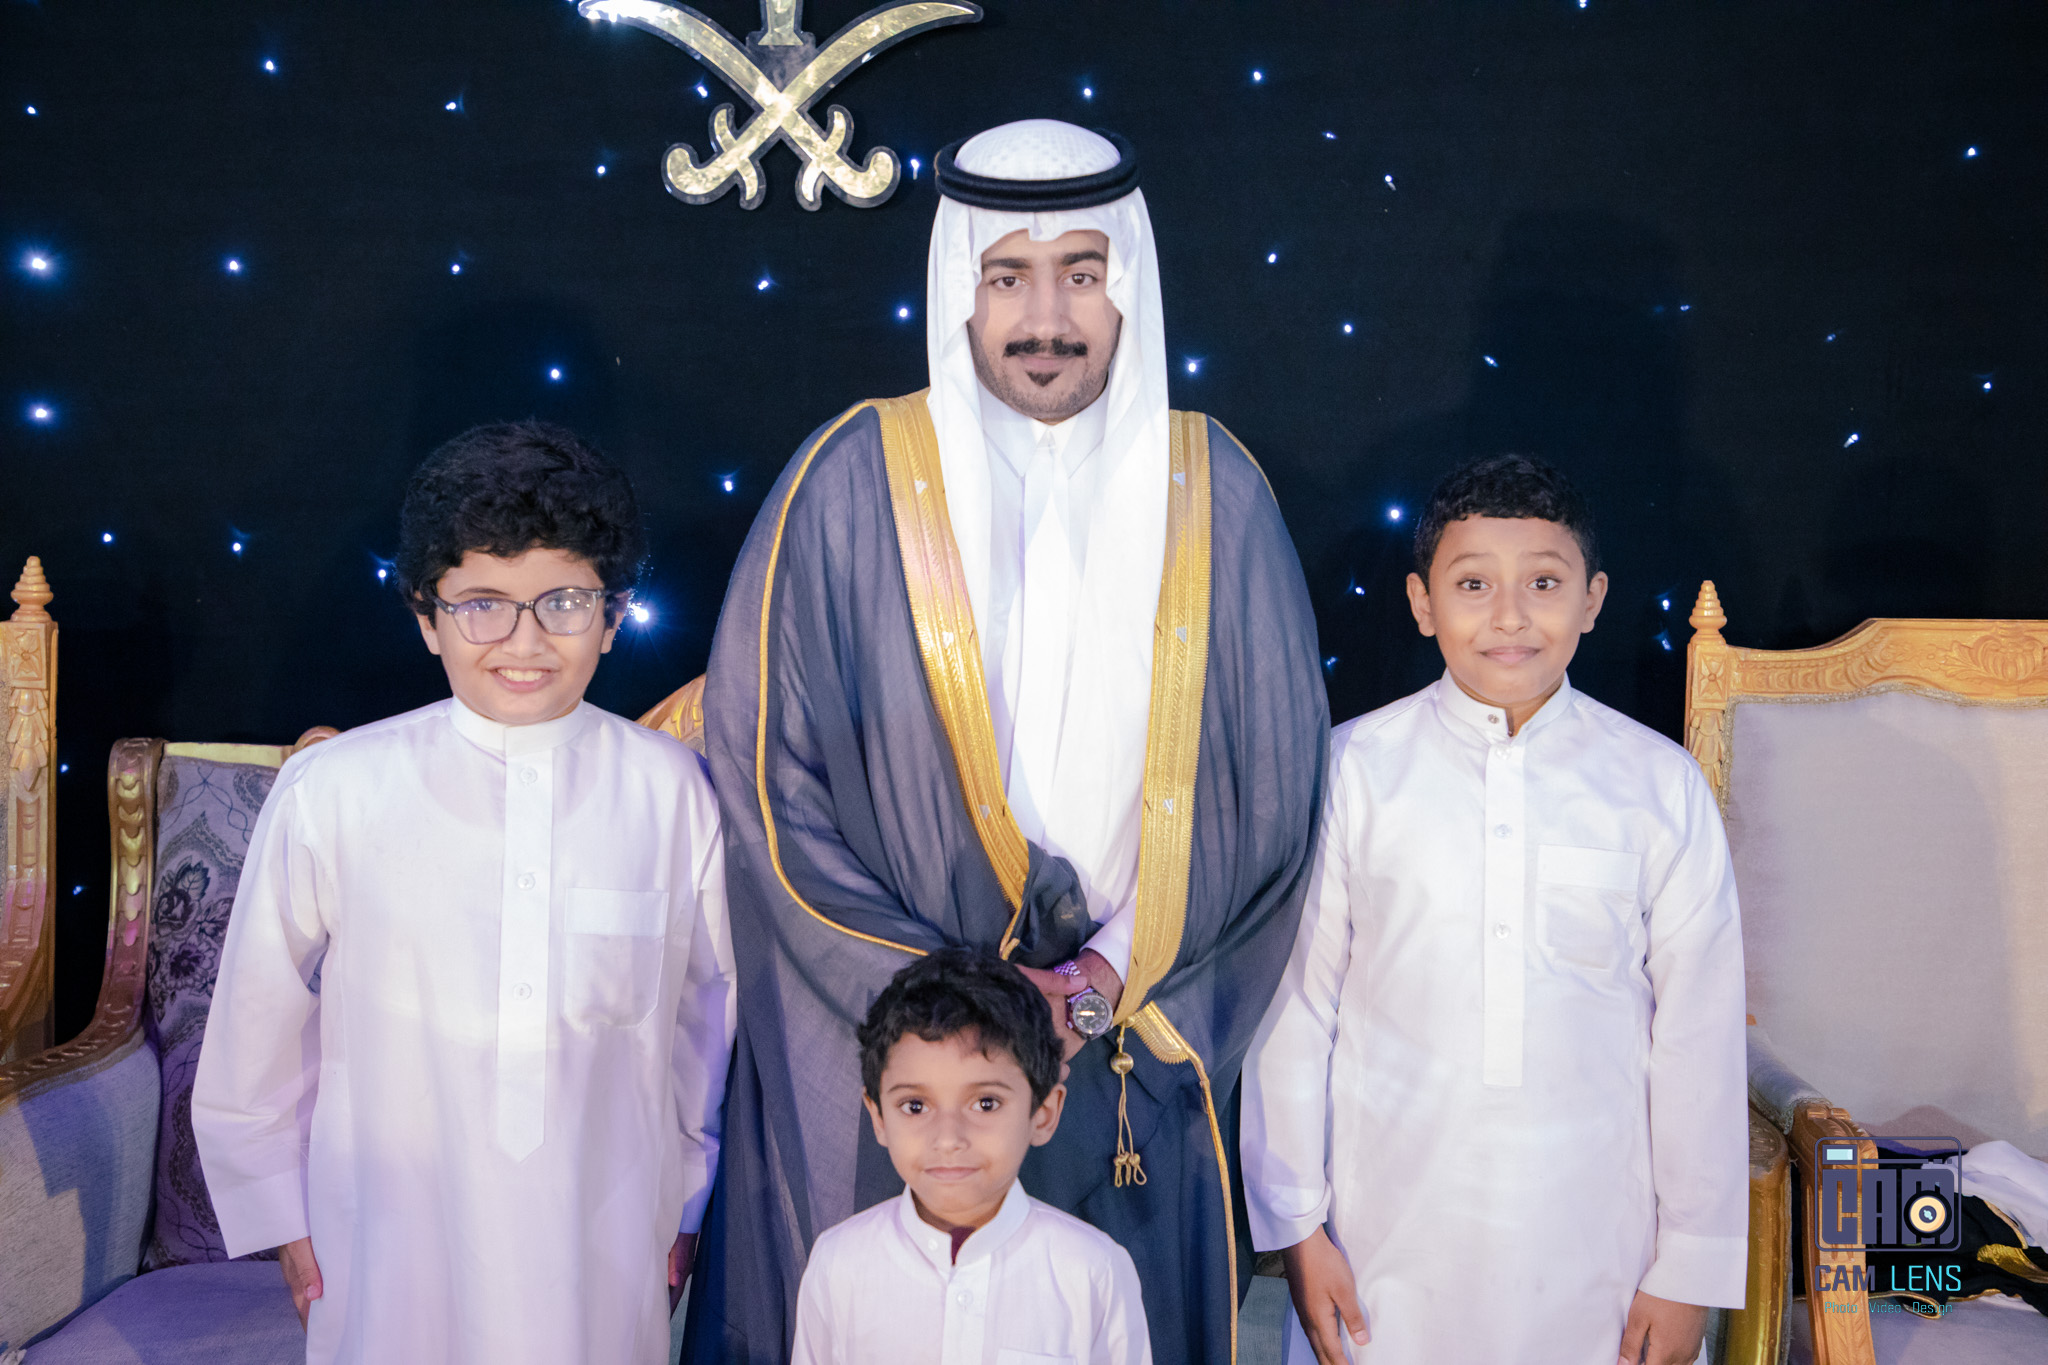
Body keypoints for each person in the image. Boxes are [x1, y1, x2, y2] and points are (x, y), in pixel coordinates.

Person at [686, 119, 1328, 1364]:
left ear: (1126, 283)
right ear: (959, 290)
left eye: (1080, 273)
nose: (1045, 318)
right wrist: (951, 1017)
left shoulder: (1214, 488)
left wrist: (1091, 986)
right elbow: (769, 787)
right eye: (1007, 277)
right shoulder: (847, 480)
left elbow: (1271, 798)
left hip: (1129, 1036)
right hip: (904, 1056)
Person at [192, 421, 737, 1365]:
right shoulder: (337, 788)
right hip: (387, 1231)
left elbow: (706, 1019)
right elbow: (256, 1013)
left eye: (564, 601)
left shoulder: (670, 790)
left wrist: (687, 1199)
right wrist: (280, 1212)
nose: (525, 640)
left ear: (613, 616)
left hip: (605, 1226)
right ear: (426, 614)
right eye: (483, 603)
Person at [1243, 454, 1747, 1365]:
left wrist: (1692, 1265)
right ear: (1422, 601)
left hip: (1601, 1250)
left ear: (1592, 600)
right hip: (1385, 1245)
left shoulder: (1658, 786)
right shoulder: (1351, 772)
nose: (1509, 616)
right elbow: (1295, 1014)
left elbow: (1698, 1039)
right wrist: (1298, 1228)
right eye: (1473, 584)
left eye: (1543, 583)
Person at [791, 947, 1151, 1364]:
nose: (948, 1139)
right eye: (915, 1106)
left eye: (985, 1103)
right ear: (879, 1118)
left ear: (1043, 1113)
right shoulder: (838, 1266)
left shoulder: (1093, 1272)